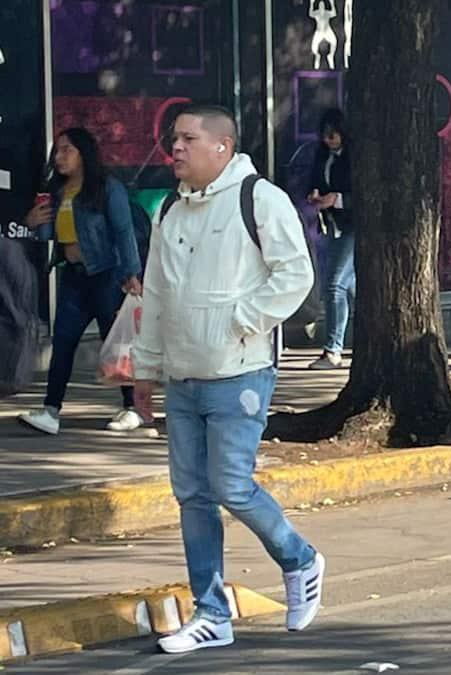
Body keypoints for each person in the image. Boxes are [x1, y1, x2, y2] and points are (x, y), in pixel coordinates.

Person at [134, 105, 325, 652]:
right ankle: (212, 613)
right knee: (192, 495)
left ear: (222, 146)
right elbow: (157, 292)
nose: (175, 147)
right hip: (182, 376)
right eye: (174, 138)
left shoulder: (259, 198)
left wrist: (240, 321)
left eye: (188, 138)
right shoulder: (170, 209)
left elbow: (295, 275)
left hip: (238, 373)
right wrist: (146, 368)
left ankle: (300, 559)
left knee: (231, 486)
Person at [16, 128, 144, 436]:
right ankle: (51, 410)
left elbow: (123, 231)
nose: (60, 157)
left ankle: (133, 407)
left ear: (84, 154)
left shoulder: (106, 187)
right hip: (73, 275)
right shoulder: (57, 190)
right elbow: (50, 235)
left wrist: (132, 274)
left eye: (67, 150)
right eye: (58, 151)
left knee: (117, 343)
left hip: (107, 274)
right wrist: (32, 223)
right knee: (63, 342)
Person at [306, 108, 355, 370]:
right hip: (334, 225)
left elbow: (365, 193)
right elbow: (316, 181)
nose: (328, 140)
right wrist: (315, 194)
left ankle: (333, 349)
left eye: (333, 135)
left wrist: (338, 199)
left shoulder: (355, 156)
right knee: (349, 286)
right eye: (325, 136)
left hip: (353, 226)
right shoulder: (323, 155)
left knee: (335, 285)